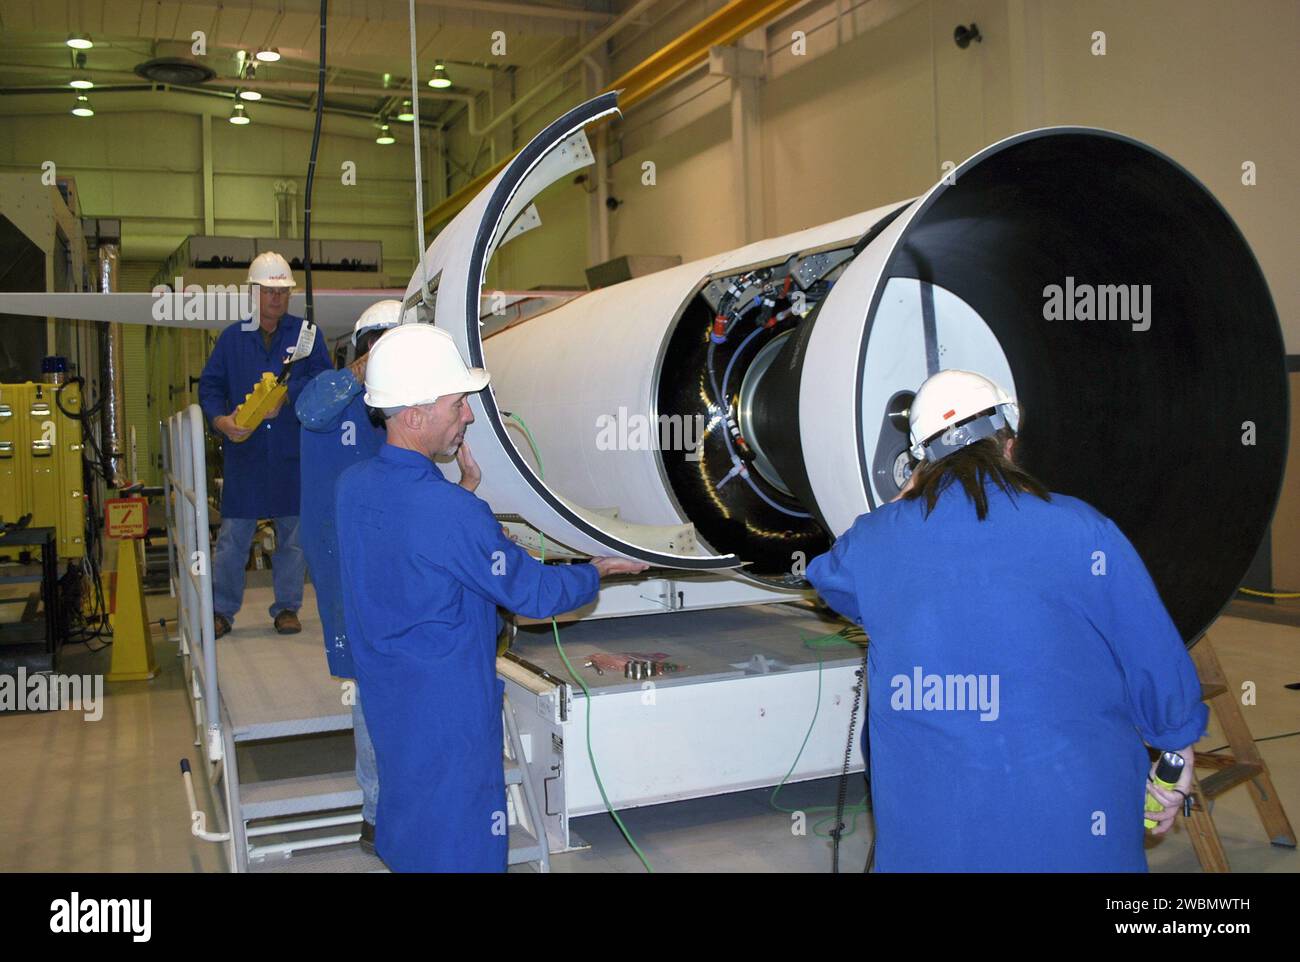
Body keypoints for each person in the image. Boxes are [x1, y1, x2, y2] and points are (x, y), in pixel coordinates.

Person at [807, 369, 1207, 872]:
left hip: (934, 824)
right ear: (1009, 443)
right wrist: (1176, 748)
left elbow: (829, 580)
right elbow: (1151, 653)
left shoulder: (876, 541)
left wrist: (902, 502)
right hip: (1073, 809)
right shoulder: (1083, 529)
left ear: (918, 462)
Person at [335, 324, 647, 872]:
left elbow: (411, 550)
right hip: (449, 708)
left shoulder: (354, 487)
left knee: (409, 821)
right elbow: (533, 592)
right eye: (458, 404)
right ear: (414, 414)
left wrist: (463, 496)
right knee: (463, 841)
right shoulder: (450, 514)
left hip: (390, 697)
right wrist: (596, 571)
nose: (469, 416)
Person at [295, 299, 404, 854]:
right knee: (367, 680)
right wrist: (359, 372)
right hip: (344, 557)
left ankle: (395, 804)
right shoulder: (332, 392)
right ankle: (376, 811)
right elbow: (308, 409)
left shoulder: (397, 406)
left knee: (390, 677)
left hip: (392, 554)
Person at [198, 251, 331, 638]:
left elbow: (323, 382)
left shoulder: (306, 336)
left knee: (292, 538)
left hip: (291, 456)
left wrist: (288, 396)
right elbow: (210, 387)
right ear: (252, 292)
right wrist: (221, 421)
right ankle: (222, 611)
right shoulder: (231, 340)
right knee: (233, 538)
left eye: (283, 291)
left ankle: (287, 608)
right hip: (246, 454)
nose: (277, 298)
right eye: (269, 291)